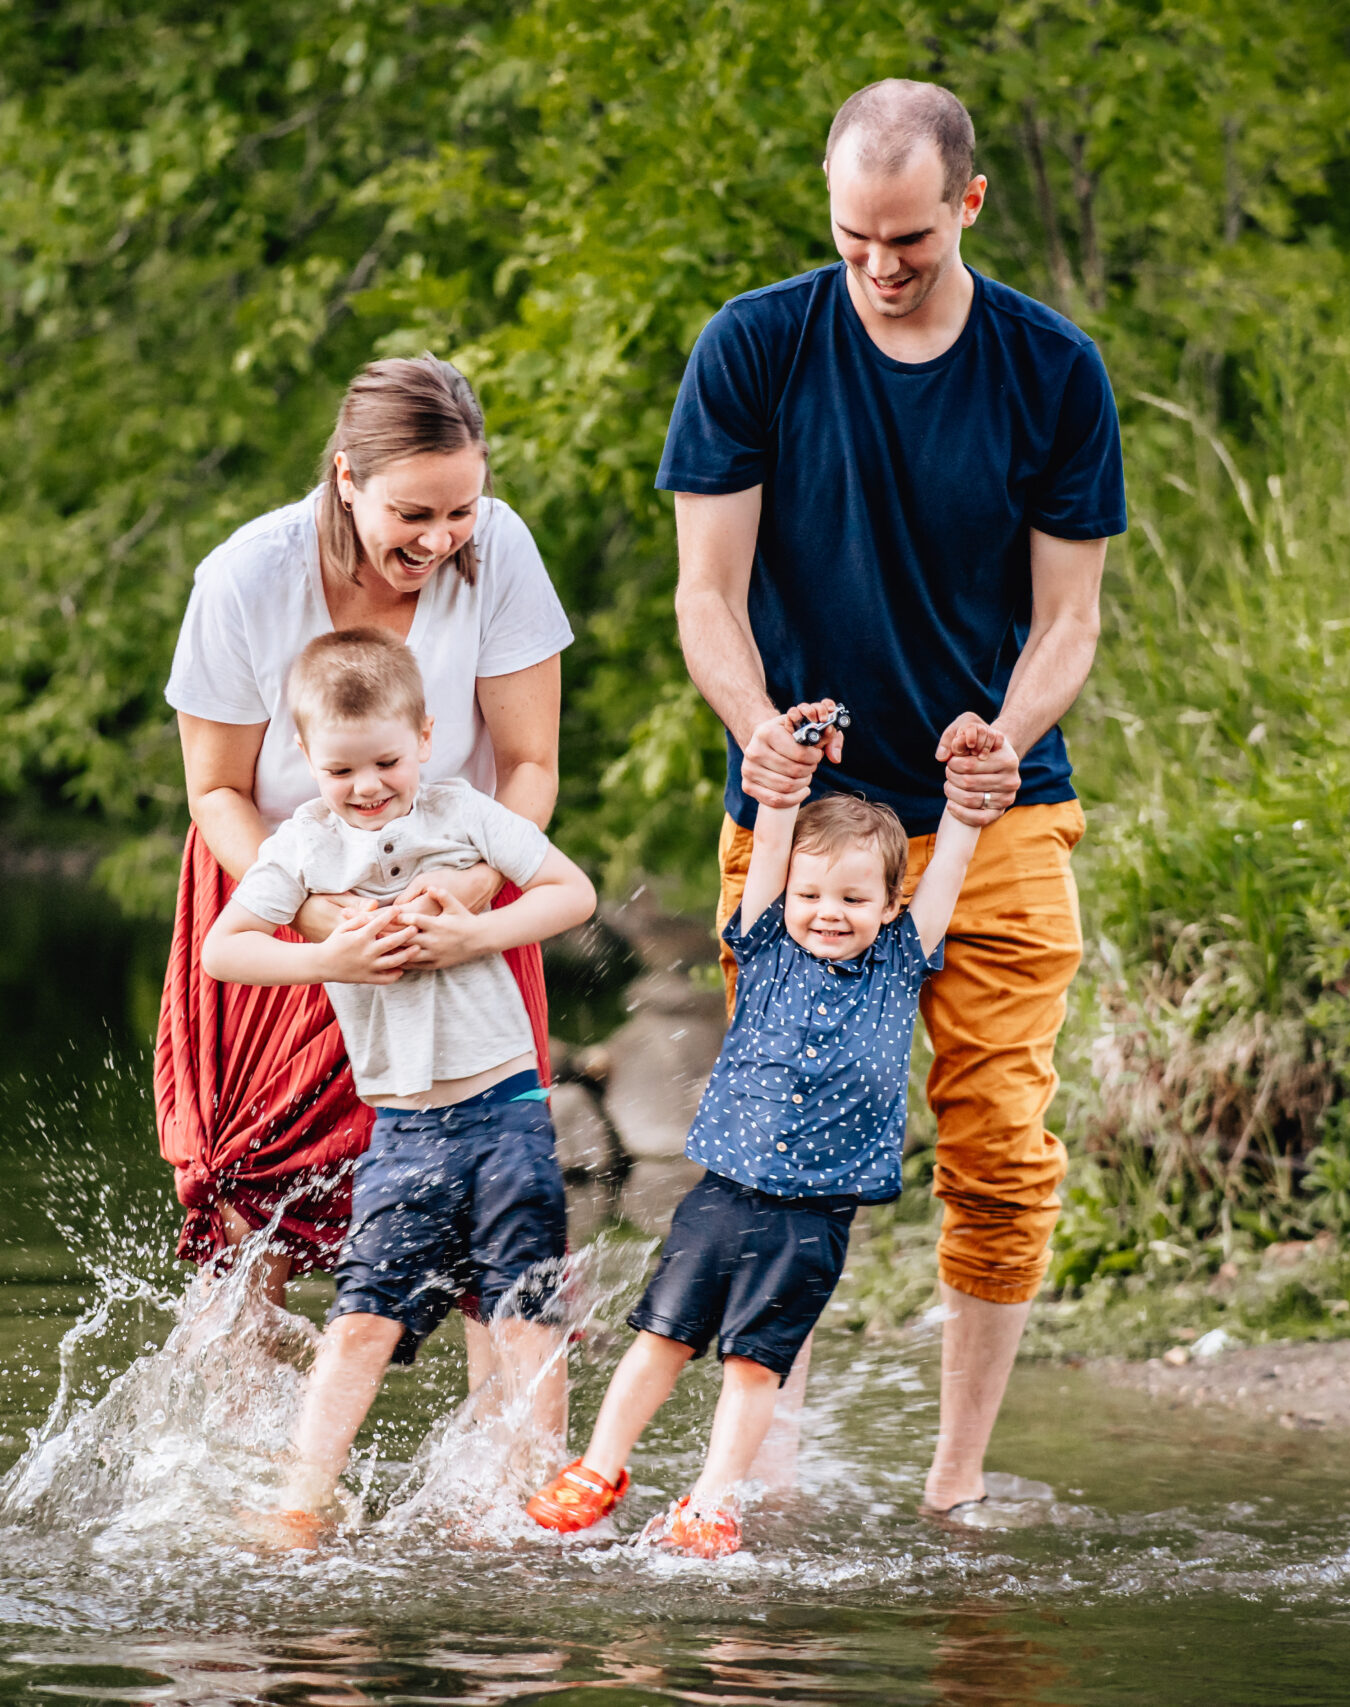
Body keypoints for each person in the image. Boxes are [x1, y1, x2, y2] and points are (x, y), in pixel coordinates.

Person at [661, 80, 1125, 1520]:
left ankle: (954, 1482)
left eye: (911, 236)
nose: (880, 264)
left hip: (998, 811)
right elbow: (707, 593)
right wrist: (755, 728)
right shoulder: (755, 344)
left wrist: (1011, 725)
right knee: (775, 1138)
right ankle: (764, 1470)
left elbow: (1070, 620)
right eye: (855, 233)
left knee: (998, 1142)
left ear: (969, 204)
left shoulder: (1051, 369)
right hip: (804, 820)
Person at [158, 357, 574, 1342]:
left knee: (495, 1197)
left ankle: (502, 1488)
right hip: (280, 891)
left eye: (461, 511)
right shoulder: (244, 577)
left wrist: (468, 893)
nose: (440, 541)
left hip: (459, 894)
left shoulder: (499, 549)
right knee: (246, 1188)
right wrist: (315, 918)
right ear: (346, 478)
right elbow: (214, 788)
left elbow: (531, 763)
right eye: (413, 516)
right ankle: (243, 1469)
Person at [525, 704, 993, 1556]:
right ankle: (599, 1465)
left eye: (853, 897)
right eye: (812, 894)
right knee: (659, 1336)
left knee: (754, 1365)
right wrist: (788, 777)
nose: (827, 911)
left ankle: (712, 1501)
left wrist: (965, 799)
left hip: (812, 1218)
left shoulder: (899, 962)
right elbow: (773, 834)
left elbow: (954, 855)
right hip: (723, 1194)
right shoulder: (766, 943)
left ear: (892, 906)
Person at [203, 628, 598, 1547]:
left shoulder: (466, 816)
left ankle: (536, 1497)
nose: (369, 783)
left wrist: (475, 929)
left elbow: (571, 892)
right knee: (361, 1313)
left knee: (524, 1305)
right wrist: (328, 954)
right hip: (404, 1130)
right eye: (343, 768)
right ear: (305, 758)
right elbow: (226, 950)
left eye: (387, 758)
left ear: (425, 734)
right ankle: (303, 1498)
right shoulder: (300, 849)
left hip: (507, 1112)